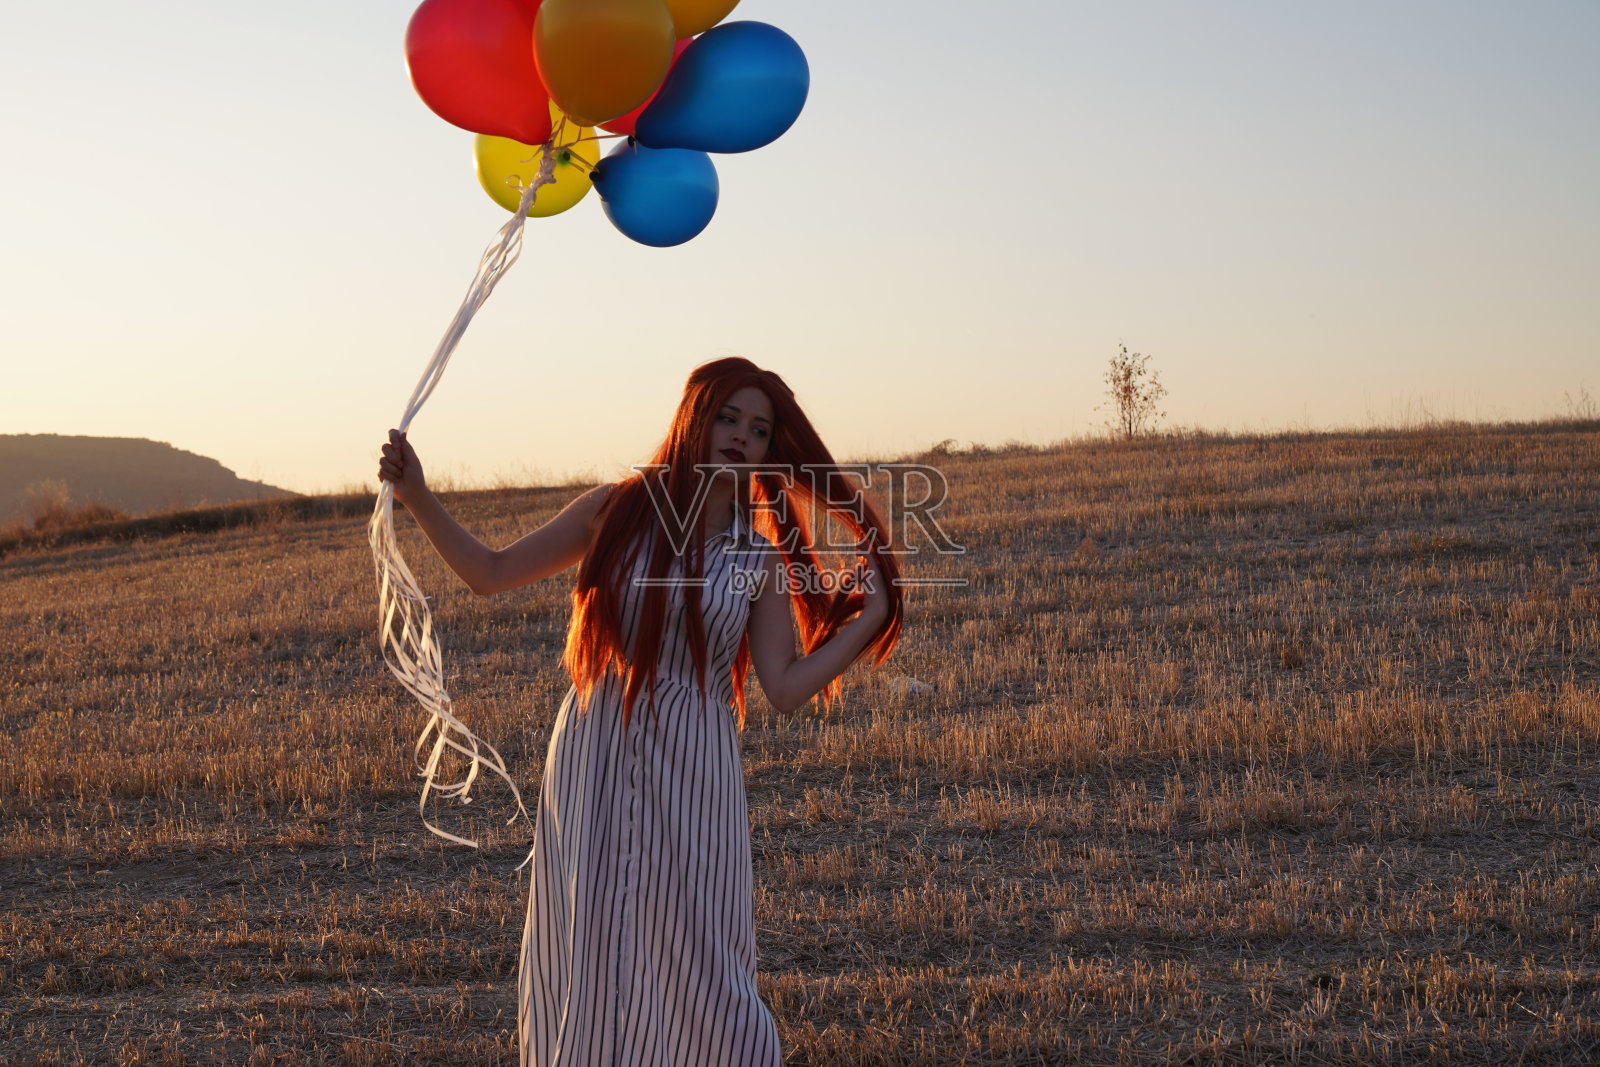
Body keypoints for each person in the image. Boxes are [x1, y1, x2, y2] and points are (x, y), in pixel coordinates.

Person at [377, 357, 903, 1066]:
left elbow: (782, 684)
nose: (740, 437)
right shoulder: (615, 511)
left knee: (702, 953)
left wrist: (869, 617)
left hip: (697, 768)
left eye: (758, 428)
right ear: (695, 415)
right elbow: (491, 572)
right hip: (597, 749)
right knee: (593, 936)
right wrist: (418, 495)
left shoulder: (759, 557)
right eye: (727, 417)